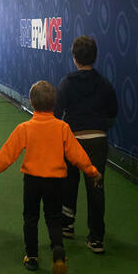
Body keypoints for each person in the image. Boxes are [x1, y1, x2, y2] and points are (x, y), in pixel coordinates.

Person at [0, 81, 100, 274]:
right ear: (54, 104)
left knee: (31, 217)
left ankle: (32, 256)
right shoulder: (62, 127)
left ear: (32, 103)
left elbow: (7, 155)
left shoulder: (24, 128)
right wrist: (92, 171)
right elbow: (77, 155)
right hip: (56, 181)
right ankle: (57, 249)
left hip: (32, 180)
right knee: (54, 217)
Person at [54, 35, 118, 253]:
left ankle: (67, 225)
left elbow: (56, 112)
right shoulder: (105, 84)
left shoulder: (66, 83)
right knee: (96, 187)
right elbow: (113, 112)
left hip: (73, 140)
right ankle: (96, 238)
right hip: (98, 141)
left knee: (68, 183)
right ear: (95, 56)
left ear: (74, 57)